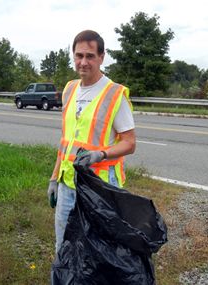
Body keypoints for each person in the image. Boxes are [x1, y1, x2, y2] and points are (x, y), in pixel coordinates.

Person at [47, 30, 136, 252]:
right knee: (64, 247)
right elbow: (66, 140)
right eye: (79, 56)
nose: (83, 62)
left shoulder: (115, 94)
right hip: (68, 184)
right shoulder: (69, 89)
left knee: (98, 250)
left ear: (101, 57)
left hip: (100, 187)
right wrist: (54, 178)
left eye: (89, 56)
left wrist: (101, 154)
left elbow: (130, 143)